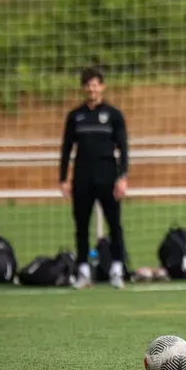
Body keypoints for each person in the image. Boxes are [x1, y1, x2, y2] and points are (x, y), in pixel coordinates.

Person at [59, 66, 129, 290]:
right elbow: (66, 149)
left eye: (95, 84)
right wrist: (63, 179)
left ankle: (117, 269)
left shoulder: (114, 115)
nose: (92, 88)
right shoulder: (75, 116)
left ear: (102, 87)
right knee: (81, 225)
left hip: (108, 178)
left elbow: (124, 149)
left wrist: (122, 177)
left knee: (115, 225)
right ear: (83, 88)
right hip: (82, 179)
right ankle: (83, 270)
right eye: (88, 85)